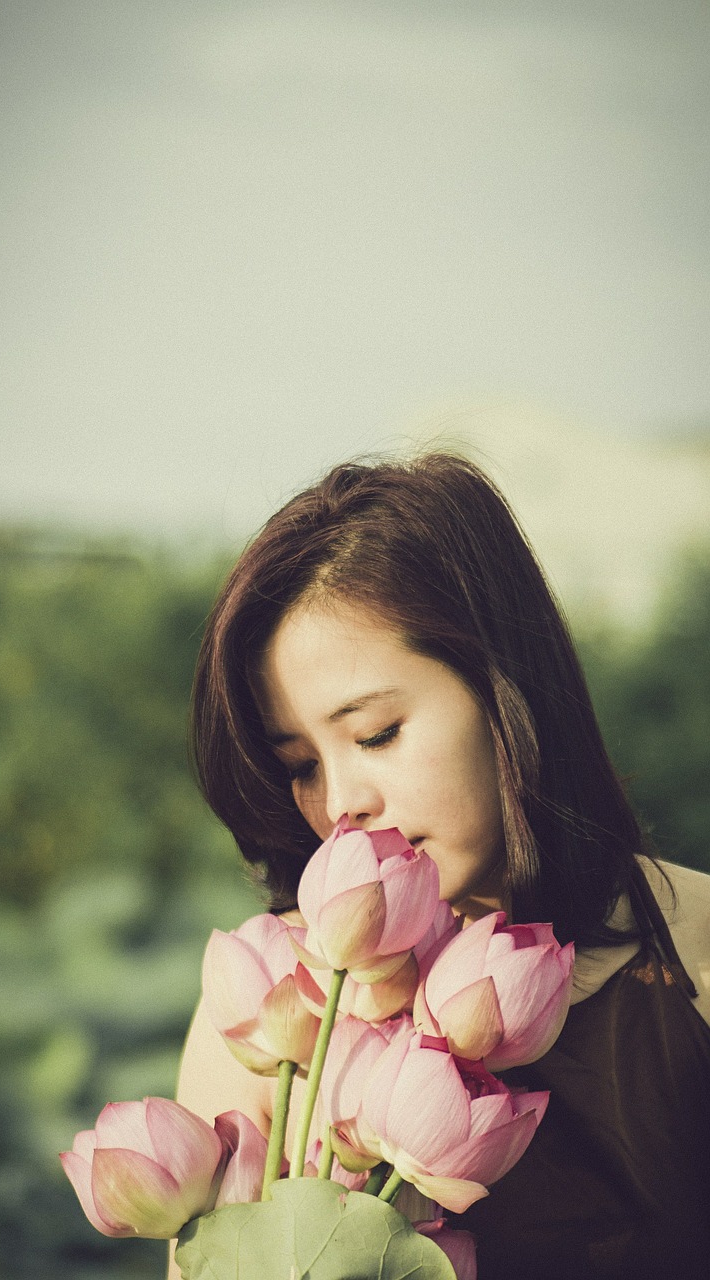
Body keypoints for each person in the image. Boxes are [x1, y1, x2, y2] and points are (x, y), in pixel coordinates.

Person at [170, 452, 710, 1280]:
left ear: (505, 689)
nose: (339, 802)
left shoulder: (696, 949)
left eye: (376, 733)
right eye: (300, 764)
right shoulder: (269, 1002)